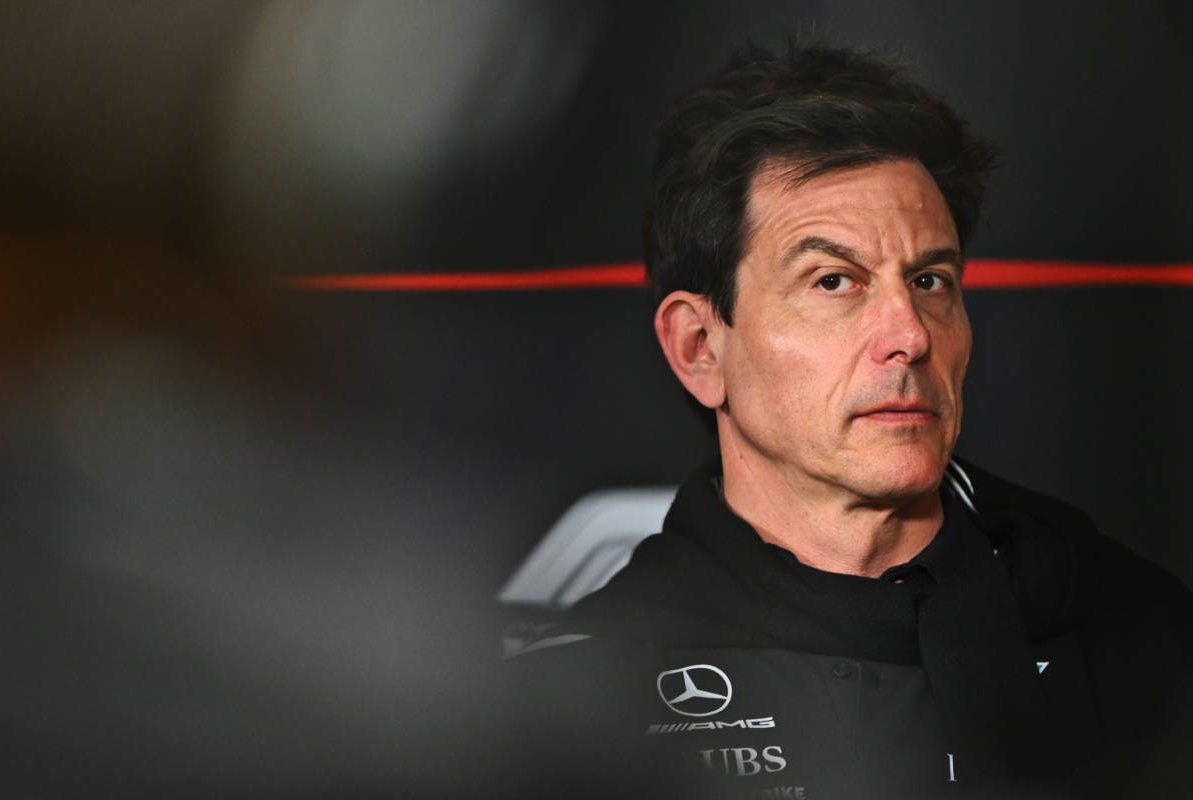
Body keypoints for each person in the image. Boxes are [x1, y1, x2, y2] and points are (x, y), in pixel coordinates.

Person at [497, 41, 1193, 800]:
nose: (910, 334)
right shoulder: (576, 704)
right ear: (700, 348)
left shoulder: (1143, 636)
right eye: (834, 281)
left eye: (930, 280)